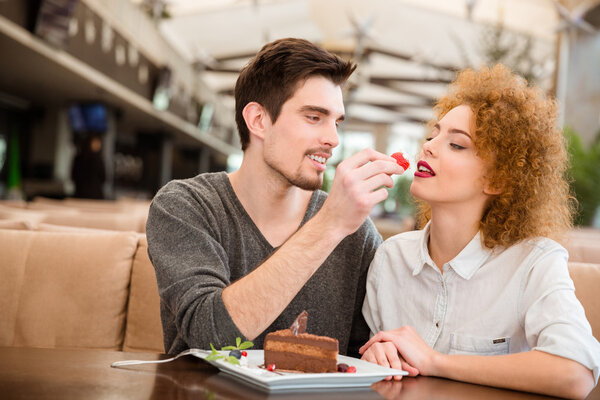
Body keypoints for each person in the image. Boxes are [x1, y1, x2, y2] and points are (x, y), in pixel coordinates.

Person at [146, 38, 405, 355]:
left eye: (336, 122)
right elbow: (210, 335)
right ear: (258, 120)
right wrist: (329, 225)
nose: (333, 139)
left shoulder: (357, 233)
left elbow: (366, 352)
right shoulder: (186, 206)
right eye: (314, 117)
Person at [360, 64, 600, 398]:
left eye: (456, 145)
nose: (428, 147)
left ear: (499, 180)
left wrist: (435, 362)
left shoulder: (534, 262)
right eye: (434, 134)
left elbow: (575, 373)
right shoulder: (390, 257)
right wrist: (375, 356)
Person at [71, 134, 105, 199]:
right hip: (94, 196)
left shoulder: (78, 159)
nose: (98, 145)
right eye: (95, 143)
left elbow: (73, 177)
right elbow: (103, 178)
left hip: (80, 195)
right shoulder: (98, 159)